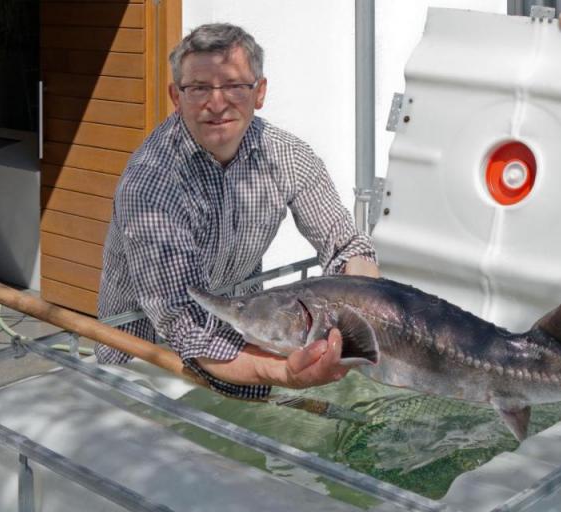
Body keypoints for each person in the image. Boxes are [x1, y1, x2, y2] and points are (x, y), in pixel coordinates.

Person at [97, 23, 379, 399]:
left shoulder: (288, 158)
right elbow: (186, 325)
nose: (217, 103)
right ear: (175, 96)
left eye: (234, 85)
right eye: (198, 88)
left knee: (247, 457)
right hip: (145, 365)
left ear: (259, 92)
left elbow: (347, 246)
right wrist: (286, 373)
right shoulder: (152, 184)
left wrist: (361, 317)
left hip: (246, 343)